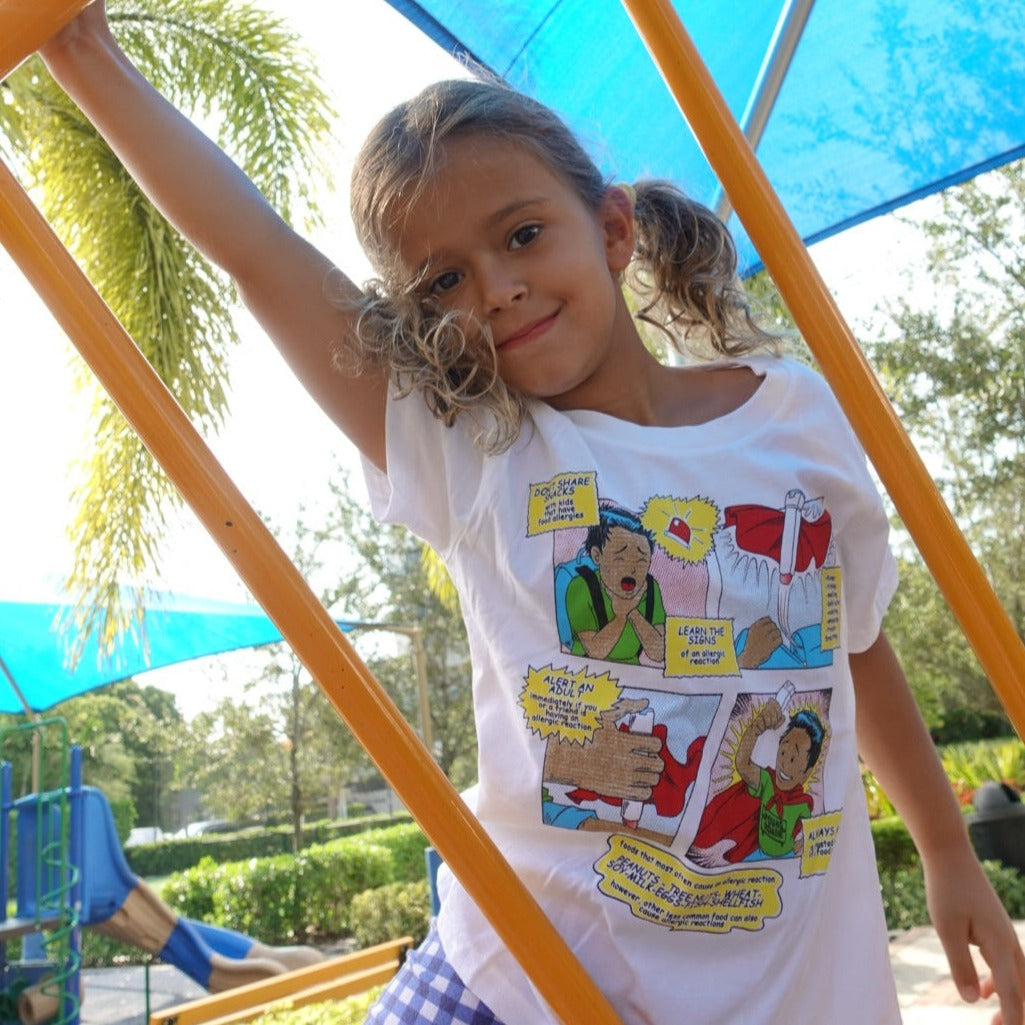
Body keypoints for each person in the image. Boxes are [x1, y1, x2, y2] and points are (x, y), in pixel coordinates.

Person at [38, 5, 1025, 1024]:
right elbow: (257, 252)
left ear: (610, 229)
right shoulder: (476, 453)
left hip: (785, 986)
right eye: (445, 280)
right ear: (424, 322)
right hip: (525, 977)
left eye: (521, 235)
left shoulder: (792, 418)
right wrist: (82, 51)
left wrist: (946, 851)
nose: (499, 287)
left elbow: (853, 641)